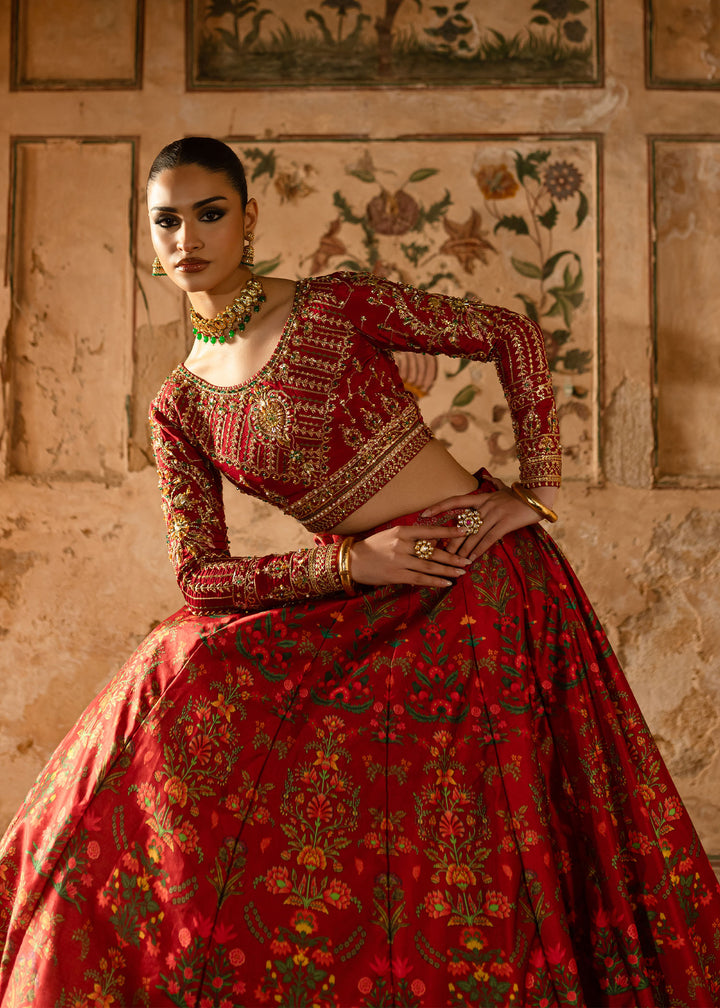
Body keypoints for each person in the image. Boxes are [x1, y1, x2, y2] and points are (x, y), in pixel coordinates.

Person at [0, 136, 718, 1008]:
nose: (187, 238)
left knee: (477, 835)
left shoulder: (334, 306)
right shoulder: (179, 404)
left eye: (209, 213)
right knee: (179, 662)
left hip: (473, 572)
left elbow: (512, 335)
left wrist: (538, 491)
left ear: (249, 218)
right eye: (167, 222)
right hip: (369, 586)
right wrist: (350, 561)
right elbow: (201, 575)